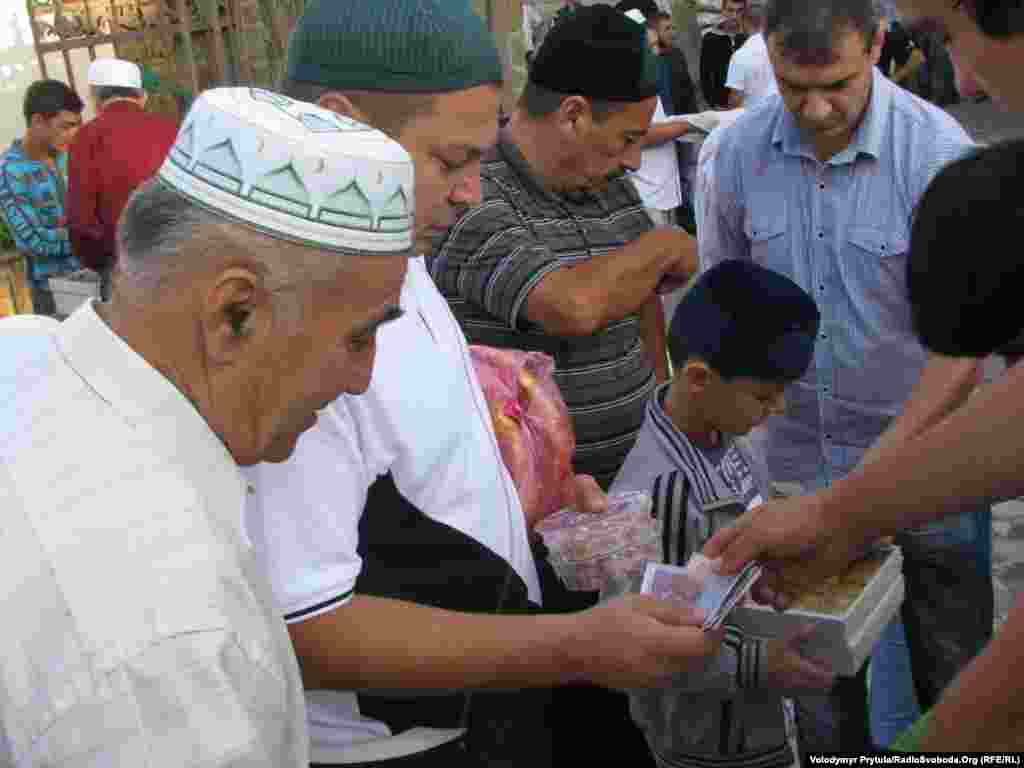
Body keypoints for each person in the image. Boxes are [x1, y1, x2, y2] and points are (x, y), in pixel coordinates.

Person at [244, 2, 719, 766]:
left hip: (488, 701)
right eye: (450, 162)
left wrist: (537, 494)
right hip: (398, 745)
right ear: (342, 124)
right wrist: (572, 644)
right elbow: (306, 629)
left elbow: (409, 475)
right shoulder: (288, 329)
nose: (472, 192)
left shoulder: (401, 260)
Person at [0, 86, 415, 766]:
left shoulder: (24, 354)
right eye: (359, 338)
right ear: (234, 315)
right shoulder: (163, 651)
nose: (362, 380)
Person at [703, 0, 1024, 750]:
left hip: (930, 460)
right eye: (791, 87)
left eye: (838, 85)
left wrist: (876, 486)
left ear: (878, 45)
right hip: (797, 468)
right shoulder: (738, 151)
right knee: (819, 690)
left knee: (951, 651)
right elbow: (726, 294)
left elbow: (964, 357)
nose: (816, 110)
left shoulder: (939, 149)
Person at [431, 6, 699, 488]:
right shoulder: (471, 191)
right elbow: (570, 305)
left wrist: (660, 416)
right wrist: (664, 245)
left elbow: (645, 310)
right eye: (628, 138)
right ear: (574, 115)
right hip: (528, 510)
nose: (635, 160)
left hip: (634, 487)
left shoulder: (607, 183)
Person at [611, 259, 834, 768]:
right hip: (712, 741)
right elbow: (656, 644)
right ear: (697, 378)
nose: (777, 409)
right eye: (764, 394)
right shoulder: (660, 498)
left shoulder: (731, 436)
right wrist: (757, 663)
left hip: (760, 717)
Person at [67, 57, 178, 301]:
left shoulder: (86, 138)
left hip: (123, 272)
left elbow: (80, 222)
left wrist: (105, 263)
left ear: (95, 98)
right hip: (178, 264)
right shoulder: (171, 130)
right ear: (142, 96)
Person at [0, 79, 82, 315]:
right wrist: (90, 235)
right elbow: (36, 241)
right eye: (65, 126)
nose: (72, 133)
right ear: (37, 121)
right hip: (54, 291)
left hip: (96, 276)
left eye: (76, 125)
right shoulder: (9, 172)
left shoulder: (68, 156)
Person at [624, 7, 700, 229]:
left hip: (664, 189)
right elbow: (641, 136)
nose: (657, 53)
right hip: (646, 195)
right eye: (652, 47)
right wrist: (690, 125)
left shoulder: (648, 80)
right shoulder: (627, 86)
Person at [725, 0, 777, 106]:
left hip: (753, 116)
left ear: (744, 23)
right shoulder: (780, 48)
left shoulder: (740, 56)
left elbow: (735, 98)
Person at [700, 0, 749, 109]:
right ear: (723, 11)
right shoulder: (711, 39)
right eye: (730, 10)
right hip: (723, 106)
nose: (734, 16)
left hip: (750, 102)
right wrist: (713, 104)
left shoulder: (749, 37)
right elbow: (705, 76)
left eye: (739, 11)